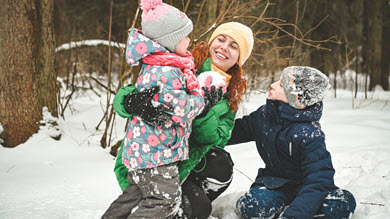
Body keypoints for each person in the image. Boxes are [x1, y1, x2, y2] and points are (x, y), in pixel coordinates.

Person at [111, 22, 254, 218]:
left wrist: (203, 111)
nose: (224, 47)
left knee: (209, 189)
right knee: (163, 205)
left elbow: (217, 139)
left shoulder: (230, 96)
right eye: (221, 40)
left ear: (239, 58)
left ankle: (175, 203)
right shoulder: (183, 62)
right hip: (147, 158)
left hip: (182, 163)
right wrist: (130, 101)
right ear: (211, 42)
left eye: (233, 46)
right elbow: (126, 95)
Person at [102, 0, 204, 218]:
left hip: (146, 151)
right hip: (157, 152)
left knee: (136, 194)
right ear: (170, 41)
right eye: (185, 36)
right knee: (164, 200)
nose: (189, 40)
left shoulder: (155, 64)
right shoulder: (167, 72)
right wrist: (200, 99)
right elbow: (181, 108)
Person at [229, 66, 356, 219]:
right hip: (275, 185)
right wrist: (200, 133)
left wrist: (294, 215)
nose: (273, 85)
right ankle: (289, 209)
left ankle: (295, 210)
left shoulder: (309, 133)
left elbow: (319, 178)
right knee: (251, 205)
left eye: (281, 85)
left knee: (342, 202)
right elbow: (233, 132)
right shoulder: (264, 115)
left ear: (295, 98)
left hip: (309, 189)